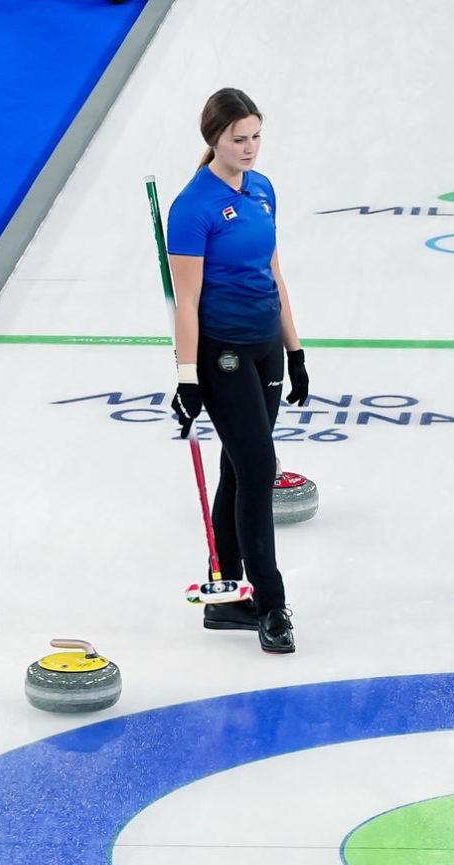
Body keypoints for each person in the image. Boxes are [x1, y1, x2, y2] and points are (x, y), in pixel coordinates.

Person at [167, 87, 309, 654]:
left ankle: (224, 596)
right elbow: (186, 302)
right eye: (238, 139)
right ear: (214, 139)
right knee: (257, 468)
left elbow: (274, 271)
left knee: (238, 468)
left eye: (256, 137)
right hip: (222, 354)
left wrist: (295, 350)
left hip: (266, 347)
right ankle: (271, 604)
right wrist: (187, 376)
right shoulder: (192, 208)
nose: (249, 148)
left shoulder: (263, 189)